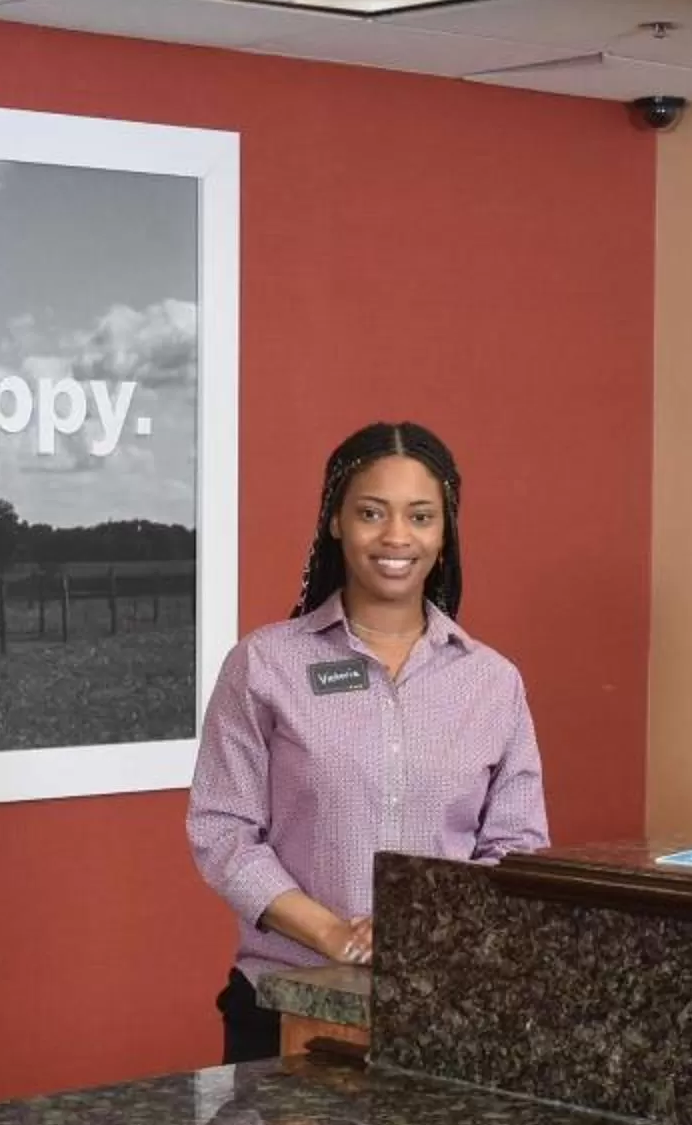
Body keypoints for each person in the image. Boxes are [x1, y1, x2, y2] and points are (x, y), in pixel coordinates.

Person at [186, 421, 549, 1064]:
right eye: (371, 513)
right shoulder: (263, 665)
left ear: (444, 532)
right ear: (335, 521)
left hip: (446, 1009)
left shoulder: (493, 682)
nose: (396, 538)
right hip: (286, 1006)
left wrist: (422, 929)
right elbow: (223, 833)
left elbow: (516, 852)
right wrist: (332, 934)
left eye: (420, 516)